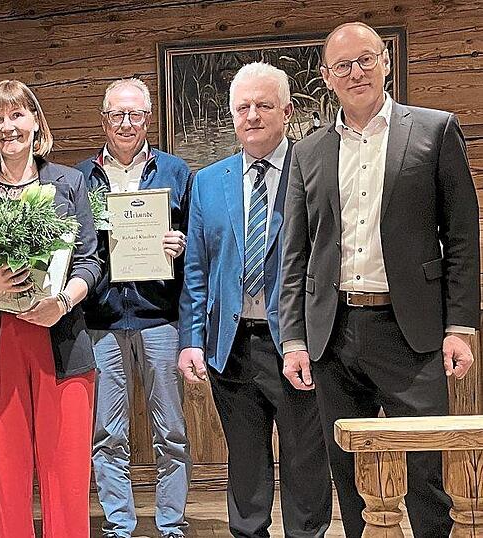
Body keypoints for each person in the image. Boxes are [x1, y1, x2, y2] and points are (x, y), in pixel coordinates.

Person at [279, 22, 479, 538]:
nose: (355, 72)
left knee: (426, 472)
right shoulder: (308, 151)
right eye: (342, 66)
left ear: (385, 62)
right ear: (326, 77)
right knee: (351, 474)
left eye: (365, 60)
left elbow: (460, 236)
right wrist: (295, 338)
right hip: (334, 331)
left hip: (411, 331)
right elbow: (295, 253)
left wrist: (461, 326)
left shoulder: (434, 130)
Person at [179, 62, 333, 538]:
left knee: (305, 459)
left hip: (296, 345)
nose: (252, 116)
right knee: (245, 463)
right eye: (242, 107)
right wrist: (191, 339)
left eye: (263, 106)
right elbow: (197, 270)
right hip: (231, 346)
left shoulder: (313, 172)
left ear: (287, 111)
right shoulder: (208, 181)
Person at [0, 79, 101, 537]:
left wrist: (62, 301)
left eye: (17, 115)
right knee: (5, 477)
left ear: (36, 122)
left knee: (66, 475)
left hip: (61, 340)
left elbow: (91, 260)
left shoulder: (69, 182)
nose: (7, 127)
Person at [76, 77, 193, 538]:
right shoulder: (79, 178)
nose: (126, 123)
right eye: (117, 114)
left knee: (172, 432)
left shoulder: (176, 172)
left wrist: (179, 245)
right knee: (107, 431)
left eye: (136, 114)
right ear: (104, 119)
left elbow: (195, 242)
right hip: (100, 320)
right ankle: (119, 525)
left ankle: (171, 524)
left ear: (149, 118)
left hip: (159, 317)